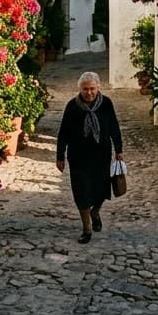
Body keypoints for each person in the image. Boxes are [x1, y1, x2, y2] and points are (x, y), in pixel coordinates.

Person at [56, 71, 123, 243]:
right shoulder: (72, 106)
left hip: (101, 155)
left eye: (92, 89)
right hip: (78, 157)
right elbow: (63, 132)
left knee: (101, 189)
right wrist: (60, 156)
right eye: (85, 89)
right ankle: (86, 228)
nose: (89, 93)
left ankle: (95, 212)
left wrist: (119, 150)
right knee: (82, 191)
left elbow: (114, 127)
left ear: (98, 88)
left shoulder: (106, 104)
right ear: (80, 89)